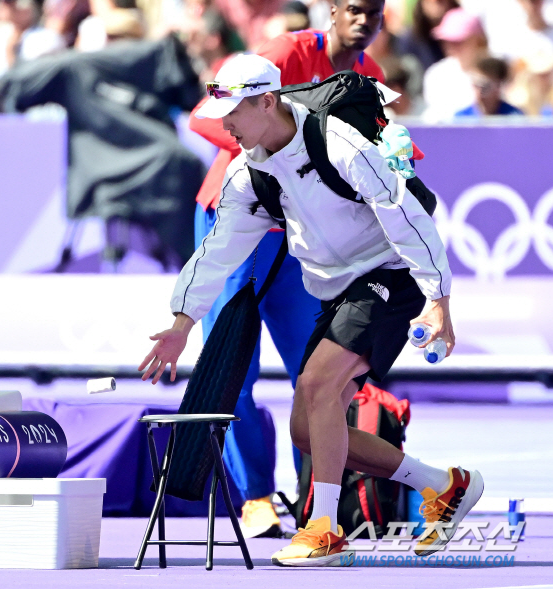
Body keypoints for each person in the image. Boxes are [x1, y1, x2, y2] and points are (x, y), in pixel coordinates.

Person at [140, 53, 484, 566]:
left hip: (389, 274)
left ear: (267, 100)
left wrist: (438, 297)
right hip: (334, 288)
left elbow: (404, 213)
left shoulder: (339, 143)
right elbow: (216, 253)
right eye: (222, 114)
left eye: (235, 111)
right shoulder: (246, 175)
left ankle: (323, 529)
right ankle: (443, 485)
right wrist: (181, 324)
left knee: (318, 387)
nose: (226, 124)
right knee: (310, 428)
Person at [187, 0, 385, 539]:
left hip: (298, 241)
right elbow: (202, 120)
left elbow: (371, 153)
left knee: (320, 374)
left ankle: (317, 505)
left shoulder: (372, 78)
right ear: (332, 13)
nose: (365, 19)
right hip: (240, 225)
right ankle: (255, 496)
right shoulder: (284, 54)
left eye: (375, 9)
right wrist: (274, 157)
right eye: (354, 9)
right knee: (233, 369)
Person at [422, 7, 488, 121]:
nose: (451, 47)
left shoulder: (494, 70)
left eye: (459, 41)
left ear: (478, 41)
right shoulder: (436, 74)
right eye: (448, 41)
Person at [456, 56, 524, 116]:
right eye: (476, 85)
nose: (479, 92)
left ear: (499, 86)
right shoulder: (460, 119)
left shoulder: (515, 118)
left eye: (485, 87)